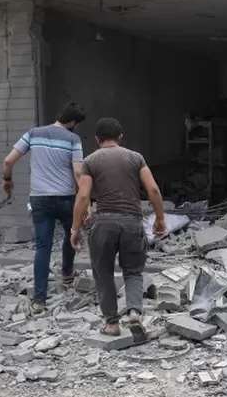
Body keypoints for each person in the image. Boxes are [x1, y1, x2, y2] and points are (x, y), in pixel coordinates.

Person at [70, 117, 166, 342]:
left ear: (97, 140)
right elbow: (152, 189)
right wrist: (159, 218)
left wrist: (75, 228)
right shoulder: (135, 158)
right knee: (133, 271)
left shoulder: (90, 161)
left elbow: (83, 196)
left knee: (102, 273)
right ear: (120, 137)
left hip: (103, 224)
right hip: (132, 222)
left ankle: (112, 324)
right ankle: (134, 312)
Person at [2, 102, 86, 315]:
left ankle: (39, 301)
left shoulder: (33, 133)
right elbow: (78, 173)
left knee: (43, 246)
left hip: (39, 199)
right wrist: (85, 199)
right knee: (71, 234)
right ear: (73, 122)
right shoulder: (73, 139)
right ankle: (67, 274)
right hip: (66, 198)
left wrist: (7, 180)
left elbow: (8, 161)